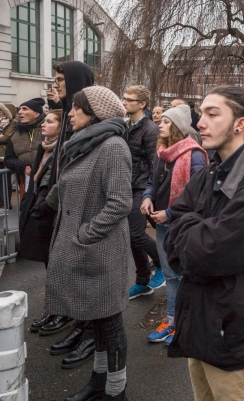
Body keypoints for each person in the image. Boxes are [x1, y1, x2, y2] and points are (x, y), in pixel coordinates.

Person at [163, 86, 244, 401]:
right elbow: (173, 228)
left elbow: (212, 251)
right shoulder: (210, 172)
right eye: (201, 113)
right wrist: (195, 230)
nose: (199, 123)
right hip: (203, 325)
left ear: (240, 123)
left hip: (234, 334)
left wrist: (190, 232)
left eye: (212, 114)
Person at [45, 86, 132, 401]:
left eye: (77, 108)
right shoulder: (85, 144)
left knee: (110, 323)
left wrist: (85, 234)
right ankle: (98, 382)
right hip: (86, 252)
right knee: (95, 320)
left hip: (102, 252)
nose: (70, 113)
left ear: (95, 112)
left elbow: (120, 203)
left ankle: (115, 391)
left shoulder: (112, 145)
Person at [43, 60, 96, 370]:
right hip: (66, 207)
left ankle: (89, 331)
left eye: (61, 79)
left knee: (88, 278)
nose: (56, 84)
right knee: (68, 271)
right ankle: (76, 322)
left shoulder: (94, 128)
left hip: (83, 215)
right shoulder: (69, 117)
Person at [141, 104, 208, 345]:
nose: (160, 125)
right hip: (161, 225)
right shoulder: (161, 151)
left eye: (167, 122)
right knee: (170, 275)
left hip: (184, 226)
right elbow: (151, 180)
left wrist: (169, 213)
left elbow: (199, 195)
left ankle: (184, 322)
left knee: (184, 275)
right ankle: (173, 319)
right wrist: (147, 196)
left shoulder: (195, 155)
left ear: (178, 127)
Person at [19, 110, 72, 334]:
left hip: (52, 210)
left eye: (49, 122)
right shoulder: (44, 147)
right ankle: (53, 308)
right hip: (39, 206)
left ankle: (63, 311)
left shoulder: (62, 149)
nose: (43, 125)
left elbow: (57, 181)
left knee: (58, 265)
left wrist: (44, 204)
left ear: (61, 128)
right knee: (48, 264)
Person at [122, 85, 165, 299]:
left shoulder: (149, 129)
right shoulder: (126, 126)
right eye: (124, 98)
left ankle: (162, 264)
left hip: (141, 187)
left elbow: (154, 164)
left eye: (130, 99)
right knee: (130, 237)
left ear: (142, 104)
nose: (124, 102)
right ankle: (142, 280)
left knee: (136, 234)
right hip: (127, 186)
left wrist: (150, 193)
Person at [4, 98, 45, 199]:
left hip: (46, 178)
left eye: (25, 109)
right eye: (20, 109)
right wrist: (23, 167)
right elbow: (8, 159)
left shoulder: (46, 128)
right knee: (26, 209)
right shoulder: (15, 134)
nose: (20, 112)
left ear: (36, 114)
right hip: (25, 181)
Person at [0, 103, 17, 209]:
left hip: (3, 155)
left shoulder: (12, 122)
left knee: (4, 180)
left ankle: (5, 202)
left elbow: (5, 138)